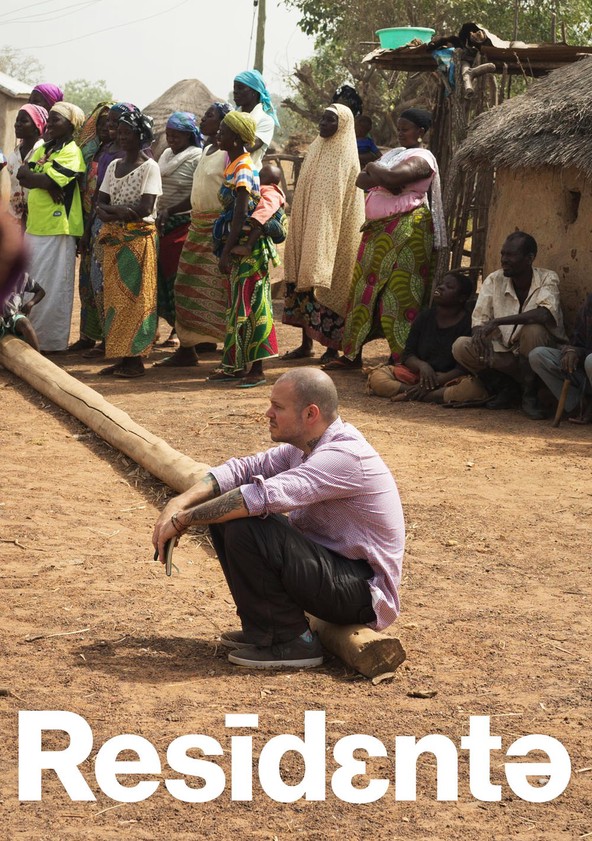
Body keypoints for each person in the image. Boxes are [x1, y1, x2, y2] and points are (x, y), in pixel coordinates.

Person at [152, 367, 405, 669]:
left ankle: (290, 640)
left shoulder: (344, 455)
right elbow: (241, 470)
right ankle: (266, 631)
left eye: (278, 407)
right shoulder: (301, 449)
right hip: (334, 574)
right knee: (227, 512)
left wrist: (183, 520)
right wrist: (178, 503)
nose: (268, 413)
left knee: (245, 520)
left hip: (362, 592)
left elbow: (261, 497)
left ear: (310, 414)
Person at [326, 108, 446, 370]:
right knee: (362, 291)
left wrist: (373, 167)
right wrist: (382, 176)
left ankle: (400, 357)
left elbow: (390, 177)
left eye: (406, 129)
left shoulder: (424, 157)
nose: (400, 132)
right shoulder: (394, 154)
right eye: (399, 128)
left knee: (400, 293)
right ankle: (352, 354)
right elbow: (361, 181)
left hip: (408, 231)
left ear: (421, 132)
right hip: (377, 231)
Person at [452, 231, 567, 419]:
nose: (504, 260)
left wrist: (498, 321)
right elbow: (479, 320)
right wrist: (480, 336)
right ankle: (508, 388)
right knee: (461, 346)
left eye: (510, 255)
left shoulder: (548, 278)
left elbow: (543, 313)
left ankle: (529, 395)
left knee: (533, 331)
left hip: (538, 353)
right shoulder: (494, 279)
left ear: (530, 258)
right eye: (503, 254)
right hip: (507, 353)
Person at [282, 104, 365, 364]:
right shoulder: (316, 147)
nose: (323, 124)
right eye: (323, 118)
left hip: (335, 234)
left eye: (331, 120)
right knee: (304, 284)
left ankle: (332, 349)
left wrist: (323, 234)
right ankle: (305, 344)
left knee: (330, 284)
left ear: (343, 125)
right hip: (308, 226)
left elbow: (341, 201)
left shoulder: (346, 156)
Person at [156, 102, 232, 368]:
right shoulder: (209, 150)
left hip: (216, 227)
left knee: (216, 290)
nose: (204, 119)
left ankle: (225, 348)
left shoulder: (226, 154)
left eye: (211, 116)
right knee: (185, 287)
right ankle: (188, 347)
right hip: (197, 226)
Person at [210, 111, 278, 387]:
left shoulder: (243, 168)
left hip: (245, 249)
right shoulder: (236, 164)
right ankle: (235, 365)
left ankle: (256, 369)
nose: (218, 135)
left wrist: (227, 251)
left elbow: (240, 212)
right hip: (236, 245)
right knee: (238, 304)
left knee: (251, 304)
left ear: (236, 138)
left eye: (223, 132)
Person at [95, 107, 162, 378]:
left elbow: (146, 208)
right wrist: (120, 212)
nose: (121, 138)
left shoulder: (150, 167)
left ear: (140, 135)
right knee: (115, 300)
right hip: (115, 240)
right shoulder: (113, 165)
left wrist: (116, 212)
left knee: (136, 300)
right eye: (119, 132)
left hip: (138, 241)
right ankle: (122, 357)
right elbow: (100, 203)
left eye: (127, 133)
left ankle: (136, 361)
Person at [16, 102, 86, 353]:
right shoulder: (45, 148)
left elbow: (38, 177)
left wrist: (44, 181)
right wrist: (45, 183)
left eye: (56, 120)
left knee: (54, 286)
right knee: (31, 283)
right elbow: (21, 175)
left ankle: (51, 344)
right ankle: (29, 339)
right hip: (36, 225)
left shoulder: (71, 151)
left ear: (71, 125)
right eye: (50, 119)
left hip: (59, 226)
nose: (50, 124)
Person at [366, 270, 486, 404]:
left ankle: (412, 394)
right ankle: (423, 394)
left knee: (473, 389)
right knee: (377, 378)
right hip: (420, 376)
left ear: (461, 298)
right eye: (441, 284)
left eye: (449, 287)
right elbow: (408, 354)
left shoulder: (468, 323)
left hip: (448, 378)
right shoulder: (425, 316)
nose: (441, 287)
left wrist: (437, 381)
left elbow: (462, 368)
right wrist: (423, 366)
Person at [70, 101, 115, 353]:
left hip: (106, 222)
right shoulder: (92, 152)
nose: (106, 126)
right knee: (87, 281)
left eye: (111, 121)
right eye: (101, 122)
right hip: (88, 220)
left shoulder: (119, 152)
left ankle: (109, 339)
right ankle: (89, 335)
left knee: (105, 282)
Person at [156, 111, 203, 332]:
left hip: (183, 222)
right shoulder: (165, 154)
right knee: (159, 277)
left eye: (177, 135)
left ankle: (179, 330)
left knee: (178, 277)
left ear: (189, 136)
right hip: (162, 222)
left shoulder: (197, 157)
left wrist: (171, 210)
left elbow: (196, 192)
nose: (171, 139)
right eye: (168, 134)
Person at [529, 293, 592, 423]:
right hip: (586, 372)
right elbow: (578, 341)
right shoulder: (589, 304)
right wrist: (571, 351)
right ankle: (578, 405)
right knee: (538, 356)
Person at [230, 163, 286, 257]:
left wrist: (258, 218)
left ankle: (248, 246)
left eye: (262, 176)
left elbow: (267, 206)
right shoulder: (258, 187)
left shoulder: (272, 191)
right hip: (264, 220)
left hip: (273, 226)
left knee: (262, 223)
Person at [6, 104, 48, 226]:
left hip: (37, 221)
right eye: (17, 120)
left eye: (23, 121)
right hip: (14, 219)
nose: (17, 124)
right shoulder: (14, 155)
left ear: (37, 127)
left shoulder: (45, 153)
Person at [232, 70, 278, 170]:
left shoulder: (265, 121)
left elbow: (247, 147)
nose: (235, 91)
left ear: (254, 92)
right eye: (234, 87)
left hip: (245, 176)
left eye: (240, 88)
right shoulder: (231, 115)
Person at [1, 273, 45, 350]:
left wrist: (31, 303)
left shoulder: (22, 276)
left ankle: (37, 356)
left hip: (13, 316)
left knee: (24, 322)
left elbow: (40, 291)